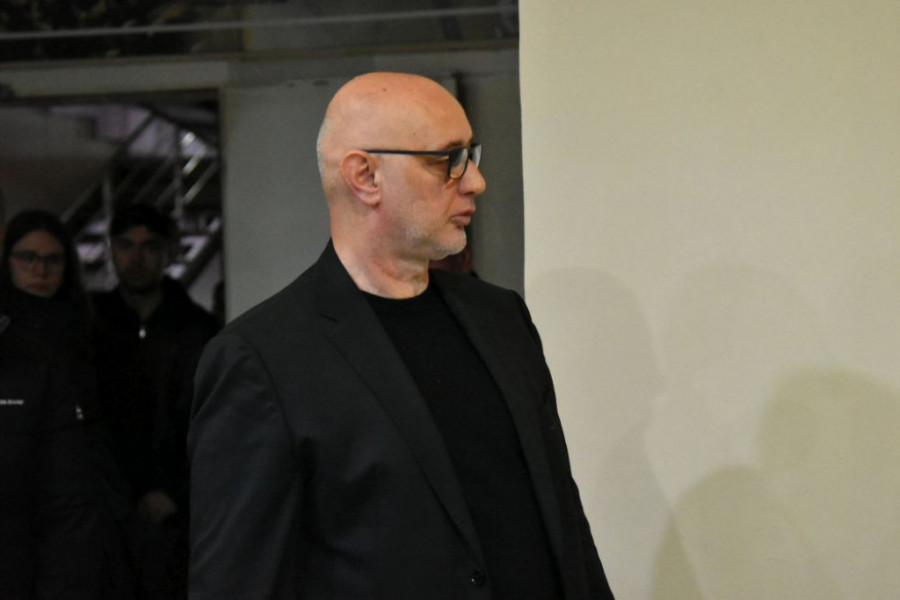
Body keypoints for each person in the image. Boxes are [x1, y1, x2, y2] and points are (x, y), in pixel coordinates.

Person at [188, 72, 616, 599]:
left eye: (471, 155)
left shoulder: (501, 318)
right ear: (365, 176)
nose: (475, 181)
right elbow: (237, 582)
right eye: (448, 159)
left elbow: (565, 524)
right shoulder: (264, 359)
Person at [0, 209, 131, 599]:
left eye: (52, 259)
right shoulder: (10, 339)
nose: (39, 269)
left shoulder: (91, 332)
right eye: (28, 257)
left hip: (83, 499)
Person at [92, 203, 219, 600]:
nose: (136, 258)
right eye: (126, 245)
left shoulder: (199, 329)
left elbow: (212, 421)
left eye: (149, 246)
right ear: (111, 249)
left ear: (167, 252)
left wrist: (175, 492)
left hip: (177, 517)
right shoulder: (90, 325)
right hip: (104, 508)